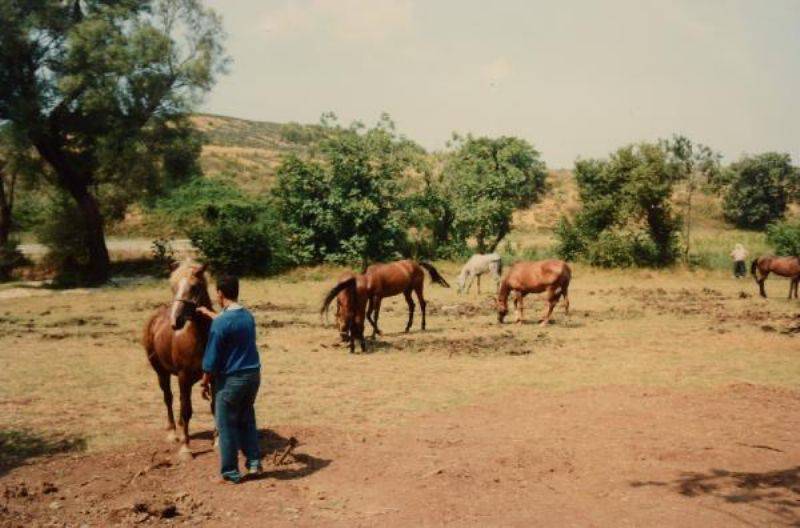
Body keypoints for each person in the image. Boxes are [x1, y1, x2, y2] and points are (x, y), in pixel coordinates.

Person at [197, 275, 262, 483]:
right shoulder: (247, 316)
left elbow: (211, 359)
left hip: (231, 381)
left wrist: (204, 381)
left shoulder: (221, 324)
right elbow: (228, 323)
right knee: (247, 419)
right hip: (253, 377)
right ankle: (254, 463)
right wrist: (209, 313)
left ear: (220, 293)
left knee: (225, 424)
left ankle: (230, 472)